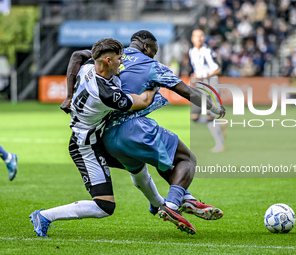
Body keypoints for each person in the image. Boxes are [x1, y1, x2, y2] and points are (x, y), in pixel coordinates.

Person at [61, 31, 226, 235]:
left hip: (107, 139)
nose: (154, 56)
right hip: (133, 129)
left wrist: (69, 96)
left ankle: (183, 198)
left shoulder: (115, 56)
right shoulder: (152, 66)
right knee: (187, 159)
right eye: (154, 52)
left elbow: (78, 56)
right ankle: (172, 205)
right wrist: (213, 106)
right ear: (147, 48)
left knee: (161, 161)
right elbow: (186, 91)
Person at [29, 38, 158, 237]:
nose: (121, 60)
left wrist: (69, 94)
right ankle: (45, 216)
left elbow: (77, 55)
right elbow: (145, 100)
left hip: (98, 137)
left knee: (136, 160)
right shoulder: (105, 93)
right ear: (107, 60)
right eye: (118, 58)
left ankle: (158, 205)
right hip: (86, 147)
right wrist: (157, 80)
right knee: (105, 206)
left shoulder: (90, 65)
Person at [189, 29, 226, 153]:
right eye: (196, 36)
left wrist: (205, 76)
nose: (198, 39)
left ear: (204, 38)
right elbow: (195, 68)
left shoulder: (208, 51)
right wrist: (195, 75)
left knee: (211, 114)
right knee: (194, 117)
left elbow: (218, 69)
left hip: (210, 84)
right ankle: (219, 124)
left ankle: (220, 145)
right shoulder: (191, 52)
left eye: (201, 36)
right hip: (199, 85)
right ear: (192, 39)